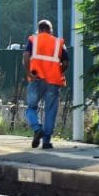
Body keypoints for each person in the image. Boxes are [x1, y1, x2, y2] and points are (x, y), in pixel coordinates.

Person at [23, 19, 69, 149]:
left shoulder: (33, 40)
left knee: (31, 108)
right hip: (53, 82)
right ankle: (47, 142)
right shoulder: (59, 42)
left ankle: (37, 129)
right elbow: (66, 63)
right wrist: (57, 71)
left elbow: (26, 56)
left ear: (39, 29)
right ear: (51, 30)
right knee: (50, 111)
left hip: (36, 79)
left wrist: (29, 72)